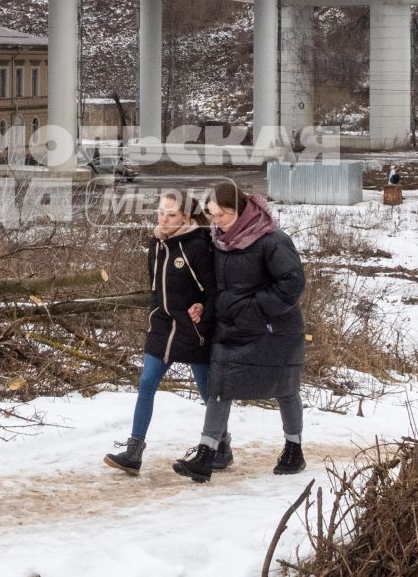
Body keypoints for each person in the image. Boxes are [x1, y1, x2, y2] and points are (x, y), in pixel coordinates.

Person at [172, 181, 307, 483]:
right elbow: (214, 284)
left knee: (285, 389)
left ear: (241, 210)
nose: (216, 222)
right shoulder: (218, 240)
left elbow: (292, 285)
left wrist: (254, 307)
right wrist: (205, 306)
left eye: (222, 215)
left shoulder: (272, 240)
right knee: (219, 385)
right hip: (231, 327)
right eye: (212, 215)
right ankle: (207, 453)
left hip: (274, 330)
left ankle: (294, 449)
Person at [105, 192, 215, 475]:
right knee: (146, 383)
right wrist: (155, 315)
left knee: (207, 392)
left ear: (186, 218)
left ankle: (221, 444)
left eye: (171, 215)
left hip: (193, 329)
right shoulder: (155, 245)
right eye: (160, 213)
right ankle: (134, 451)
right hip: (163, 327)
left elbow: (214, 290)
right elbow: (155, 289)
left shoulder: (198, 247)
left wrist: (203, 306)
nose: (163, 219)